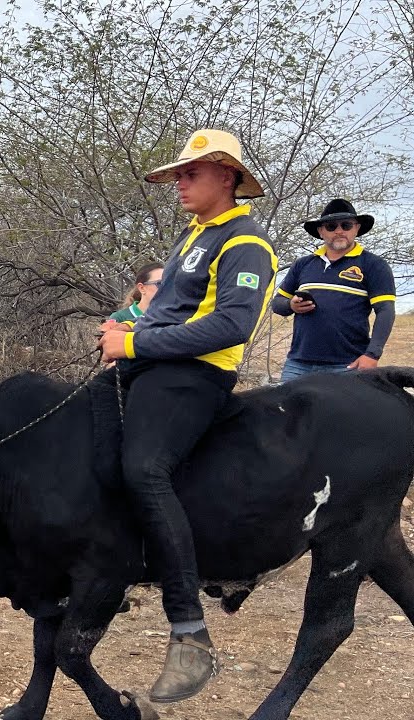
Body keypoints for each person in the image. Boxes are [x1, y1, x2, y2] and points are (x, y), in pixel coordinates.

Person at [98, 129, 277, 703]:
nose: (180, 182)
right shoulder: (193, 234)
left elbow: (231, 325)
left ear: (227, 176)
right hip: (155, 363)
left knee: (144, 471)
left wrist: (135, 344)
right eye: (178, 174)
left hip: (197, 374)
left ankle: (189, 631)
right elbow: (171, 311)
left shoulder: (246, 243)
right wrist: (129, 330)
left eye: (191, 173)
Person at [270, 199, 395, 381]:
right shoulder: (303, 264)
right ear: (321, 231)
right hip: (298, 364)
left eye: (346, 225)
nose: (339, 231)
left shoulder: (374, 265)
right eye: (331, 226)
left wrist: (372, 355)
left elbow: (385, 310)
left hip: (348, 365)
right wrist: (291, 305)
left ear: (356, 228)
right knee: (284, 401)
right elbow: (277, 304)